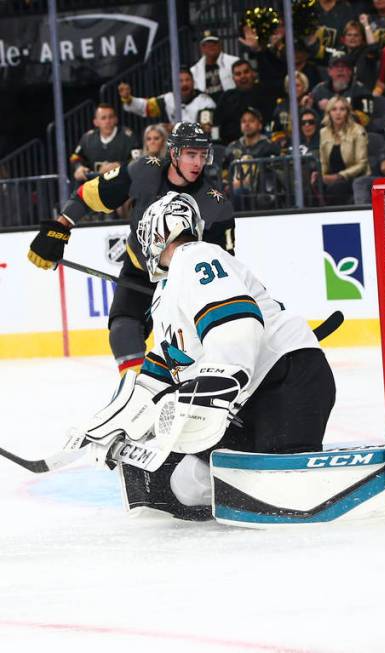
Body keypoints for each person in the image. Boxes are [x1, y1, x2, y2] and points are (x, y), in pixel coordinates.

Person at [85, 191, 336, 520]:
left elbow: (237, 325)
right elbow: (159, 375)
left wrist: (216, 387)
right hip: (248, 396)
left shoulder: (196, 255)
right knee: (181, 484)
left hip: (286, 379)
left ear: (159, 233)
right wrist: (113, 423)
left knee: (283, 488)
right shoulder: (165, 294)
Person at [27, 122, 235, 376]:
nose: (198, 163)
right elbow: (88, 195)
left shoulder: (215, 204)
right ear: (174, 153)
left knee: (189, 353)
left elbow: (224, 263)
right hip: (140, 272)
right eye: (191, 154)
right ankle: (135, 394)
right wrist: (59, 228)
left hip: (187, 284)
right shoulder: (145, 172)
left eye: (203, 156)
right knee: (123, 331)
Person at [313, 96, 370, 205]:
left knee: (336, 188)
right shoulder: (323, 133)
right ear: (329, 113)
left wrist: (339, 176)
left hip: (354, 178)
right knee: (312, 184)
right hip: (331, 177)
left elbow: (362, 164)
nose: (338, 113)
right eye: (334, 109)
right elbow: (323, 162)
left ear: (347, 112)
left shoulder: (357, 131)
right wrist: (321, 176)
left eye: (342, 109)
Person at [223, 107, 281, 210]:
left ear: (260, 125)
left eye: (251, 121)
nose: (247, 124)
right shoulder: (232, 147)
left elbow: (275, 173)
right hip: (235, 192)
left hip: (260, 193)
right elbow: (223, 172)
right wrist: (227, 184)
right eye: (244, 121)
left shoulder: (269, 146)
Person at [69, 104, 141, 183]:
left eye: (111, 117)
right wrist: (78, 167)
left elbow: (138, 160)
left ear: (116, 119)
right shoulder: (87, 138)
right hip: (95, 185)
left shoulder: (128, 137)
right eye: (103, 118)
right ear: (96, 122)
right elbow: (75, 157)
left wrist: (120, 165)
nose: (107, 121)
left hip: (122, 184)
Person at [119, 69, 216, 127]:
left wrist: (175, 129)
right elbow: (145, 107)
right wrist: (128, 99)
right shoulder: (168, 99)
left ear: (193, 82)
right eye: (180, 81)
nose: (184, 84)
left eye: (187, 80)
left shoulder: (205, 101)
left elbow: (205, 128)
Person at [214, 59, 276, 146]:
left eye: (246, 72)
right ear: (233, 78)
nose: (243, 76)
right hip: (231, 147)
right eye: (238, 74)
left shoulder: (265, 93)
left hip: (262, 145)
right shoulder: (226, 97)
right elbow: (217, 123)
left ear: (253, 73)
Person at [190, 31, 241, 99]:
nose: (211, 47)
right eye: (207, 45)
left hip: (231, 104)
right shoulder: (194, 70)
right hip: (206, 107)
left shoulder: (233, 62)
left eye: (214, 43)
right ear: (202, 48)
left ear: (220, 45)